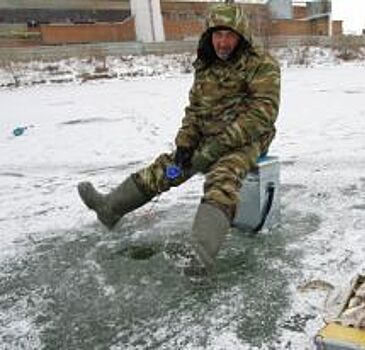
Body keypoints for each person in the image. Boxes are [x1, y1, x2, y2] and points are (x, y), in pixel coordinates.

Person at [77, 3, 281, 276]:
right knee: (168, 169)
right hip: (207, 137)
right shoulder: (206, 65)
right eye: (217, 34)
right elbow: (195, 110)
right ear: (209, 35)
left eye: (229, 35)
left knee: (222, 178)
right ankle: (109, 209)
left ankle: (201, 256)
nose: (223, 42)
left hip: (246, 139)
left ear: (241, 35)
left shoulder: (262, 64)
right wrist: (185, 142)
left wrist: (215, 148)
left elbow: (262, 115)